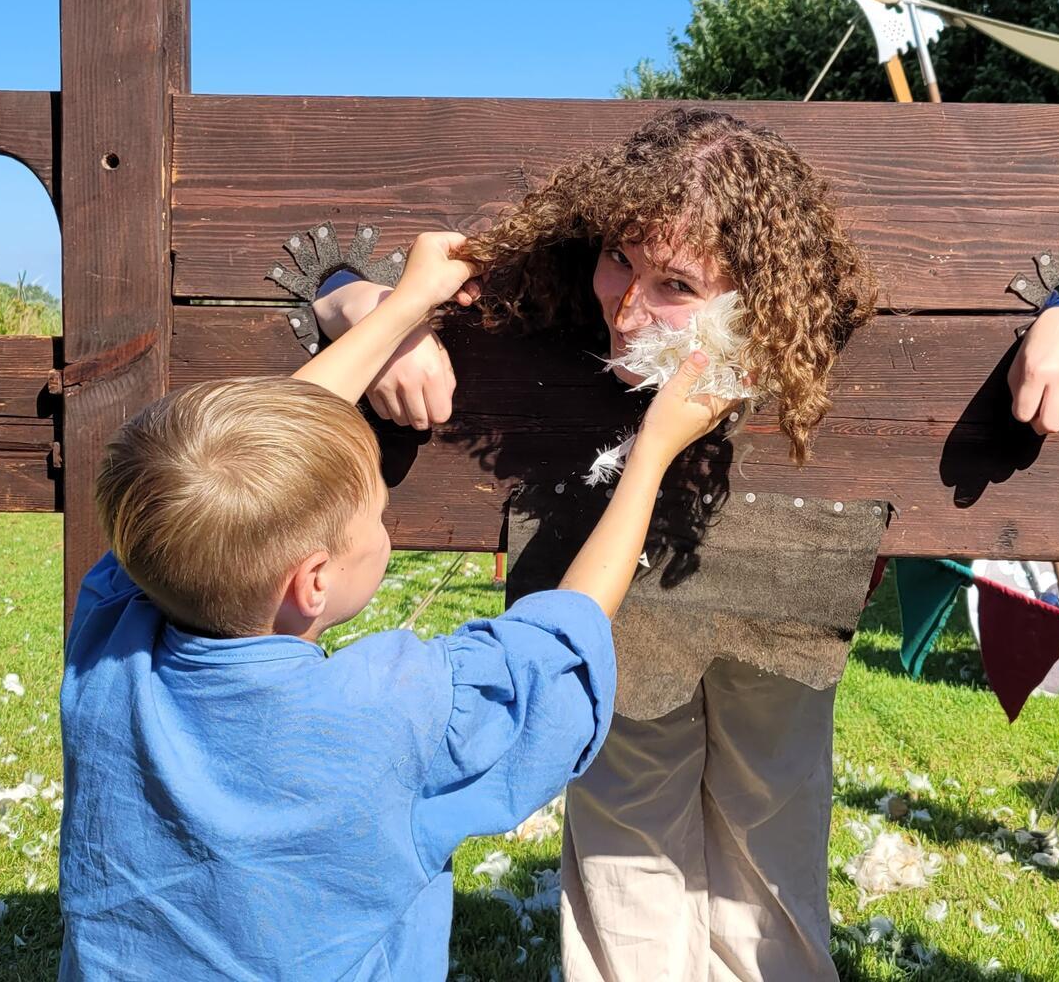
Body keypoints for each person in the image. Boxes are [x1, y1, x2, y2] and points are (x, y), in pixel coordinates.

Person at [315, 108, 1059, 981]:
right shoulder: (558, 291)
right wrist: (361, 305)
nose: (625, 307)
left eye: (677, 287)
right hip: (604, 587)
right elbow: (335, 261)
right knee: (625, 851)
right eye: (618, 258)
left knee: (772, 847)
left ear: (765, 294)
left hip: (788, 580)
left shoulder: (820, 314)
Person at [58, 230, 734, 980]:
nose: (381, 521)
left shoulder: (110, 638)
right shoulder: (391, 713)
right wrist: (653, 453)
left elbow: (216, 475)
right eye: (376, 513)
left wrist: (399, 306)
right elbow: (560, 639)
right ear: (312, 581)